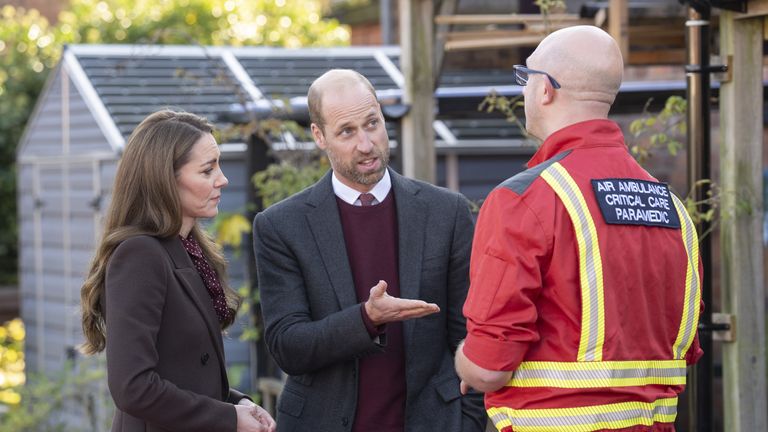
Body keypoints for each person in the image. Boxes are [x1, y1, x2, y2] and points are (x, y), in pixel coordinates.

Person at [455, 26, 703, 432]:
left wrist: (463, 358)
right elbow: (683, 349)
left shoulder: (524, 199)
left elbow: (487, 368)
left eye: (526, 77)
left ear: (546, 90)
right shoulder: (672, 208)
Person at [252, 69, 486, 432]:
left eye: (372, 123)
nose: (366, 143)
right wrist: (366, 318)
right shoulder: (281, 226)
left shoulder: (446, 212)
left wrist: (466, 422)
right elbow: (288, 346)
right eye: (347, 131)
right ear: (319, 136)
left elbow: (470, 334)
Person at [79, 110, 276, 432]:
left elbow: (186, 370)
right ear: (165, 180)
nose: (223, 179)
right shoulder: (140, 255)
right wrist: (227, 418)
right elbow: (133, 388)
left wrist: (236, 402)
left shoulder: (187, 249)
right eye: (207, 169)